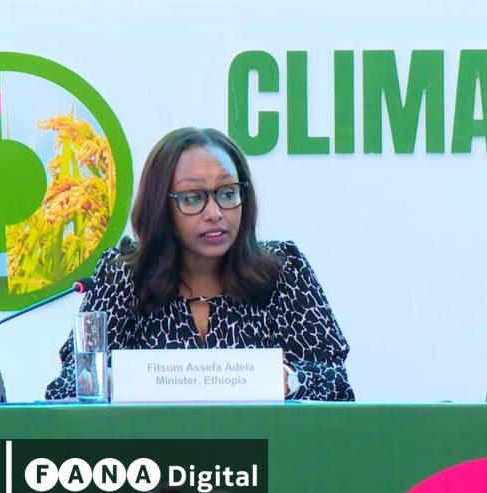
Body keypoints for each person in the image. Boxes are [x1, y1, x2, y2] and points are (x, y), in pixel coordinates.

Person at [45, 128, 354, 401]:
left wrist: (290, 380)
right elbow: (66, 388)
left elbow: (336, 384)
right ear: (160, 206)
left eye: (228, 194)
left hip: (268, 446)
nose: (215, 213)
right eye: (193, 198)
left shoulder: (282, 270)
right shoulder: (123, 277)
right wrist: (111, 384)